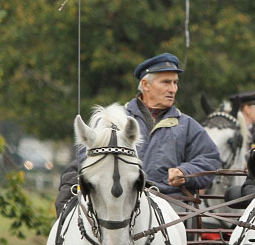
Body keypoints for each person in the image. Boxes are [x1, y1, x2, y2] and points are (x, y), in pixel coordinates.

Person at [54, 53, 221, 214]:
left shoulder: (188, 125)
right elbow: (87, 155)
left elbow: (210, 158)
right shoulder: (112, 120)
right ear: (146, 85)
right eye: (166, 82)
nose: (173, 89)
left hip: (170, 206)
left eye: (175, 83)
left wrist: (185, 172)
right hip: (118, 203)